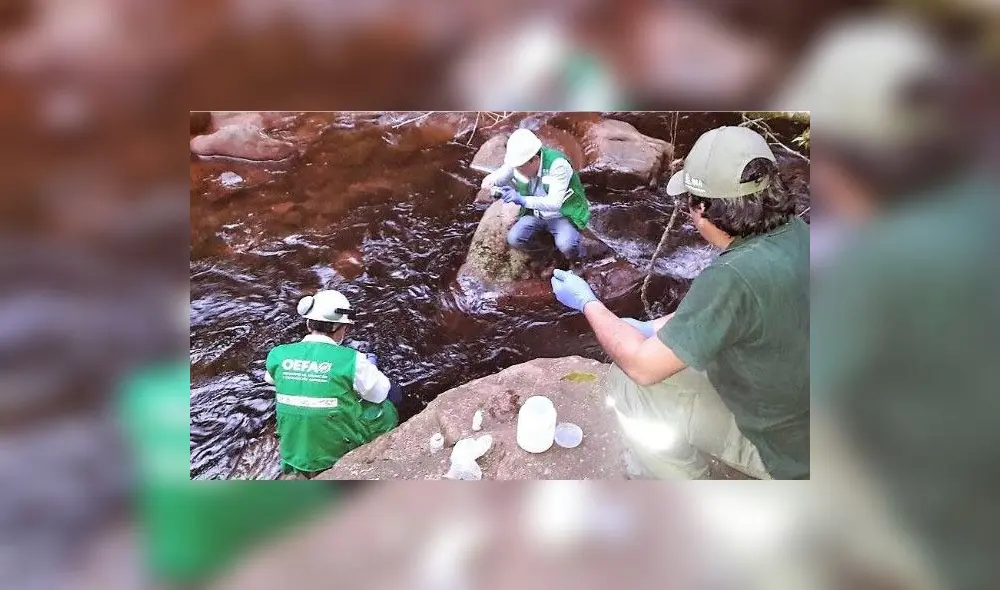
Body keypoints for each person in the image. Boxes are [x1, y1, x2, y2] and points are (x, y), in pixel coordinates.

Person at [549, 126, 809, 480]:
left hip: (787, 452)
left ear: (701, 208)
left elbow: (642, 367)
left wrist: (587, 303)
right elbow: (727, 312)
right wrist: (650, 327)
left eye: (688, 201)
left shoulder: (732, 276)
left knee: (627, 386)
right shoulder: (799, 231)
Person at [264, 289, 402, 478]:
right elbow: (379, 394)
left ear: (307, 323)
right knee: (392, 396)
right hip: (332, 453)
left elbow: (271, 380)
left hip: (292, 450)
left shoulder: (278, 354)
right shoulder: (352, 360)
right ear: (340, 328)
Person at [481, 128, 591, 268]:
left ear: (534, 159)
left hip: (561, 214)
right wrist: (490, 181)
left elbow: (554, 203)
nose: (517, 171)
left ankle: (576, 261)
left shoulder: (558, 165)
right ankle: (548, 255)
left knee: (567, 244)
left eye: (520, 168)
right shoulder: (520, 162)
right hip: (536, 213)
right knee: (514, 239)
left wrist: (522, 199)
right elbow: (502, 174)